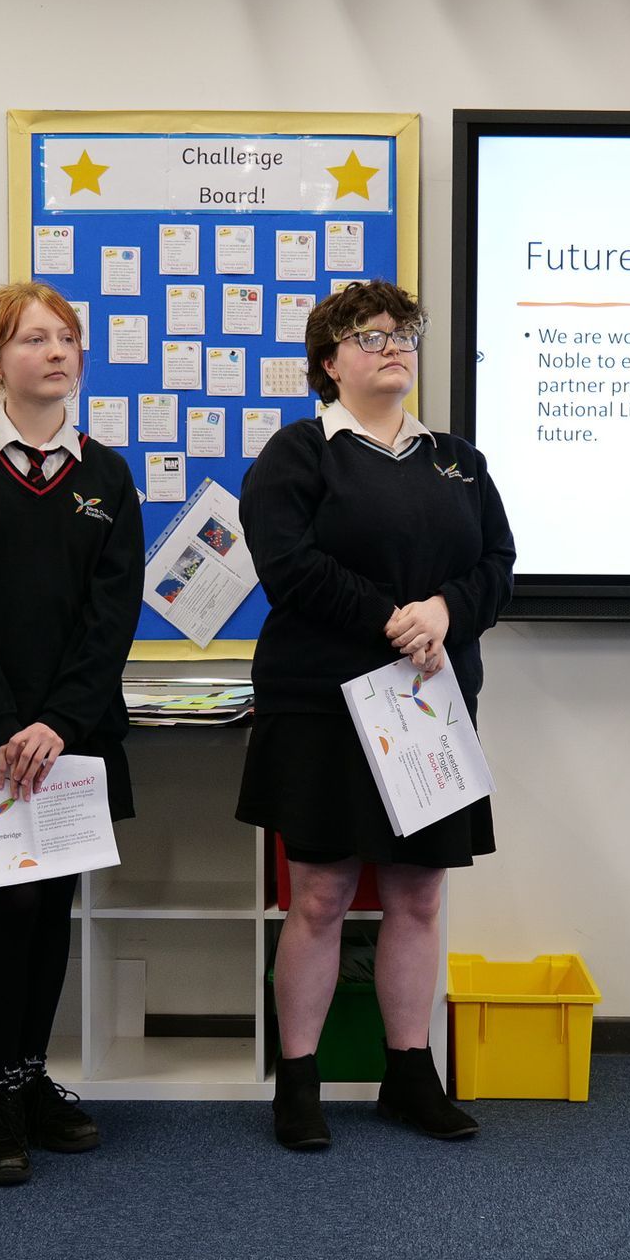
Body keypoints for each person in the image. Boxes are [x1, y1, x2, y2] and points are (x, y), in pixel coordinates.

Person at [237, 280, 515, 1150]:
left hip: (429, 710)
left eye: (403, 334)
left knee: (418, 895)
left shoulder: (457, 458)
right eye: (368, 336)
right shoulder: (297, 454)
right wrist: (393, 621)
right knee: (318, 895)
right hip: (321, 707)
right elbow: (289, 568)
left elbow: (500, 564)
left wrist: (445, 612)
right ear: (329, 362)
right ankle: (300, 1082)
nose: (392, 347)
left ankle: (408, 1073)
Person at [0, 282, 143, 1185]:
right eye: (33, 339)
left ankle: (31, 1071)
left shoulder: (107, 475)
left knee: (55, 907)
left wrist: (57, 722)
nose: (56, 353)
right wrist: (10, 726)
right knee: (8, 907)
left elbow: (109, 616)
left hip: (73, 736)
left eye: (67, 339)